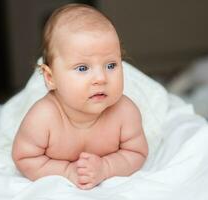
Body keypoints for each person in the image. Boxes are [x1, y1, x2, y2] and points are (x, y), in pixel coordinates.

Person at [12, 3, 148, 190]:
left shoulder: (125, 112)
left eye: (111, 65)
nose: (101, 78)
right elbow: (24, 157)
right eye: (83, 68)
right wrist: (67, 170)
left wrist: (106, 168)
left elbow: (137, 153)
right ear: (51, 78)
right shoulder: (43, 117)